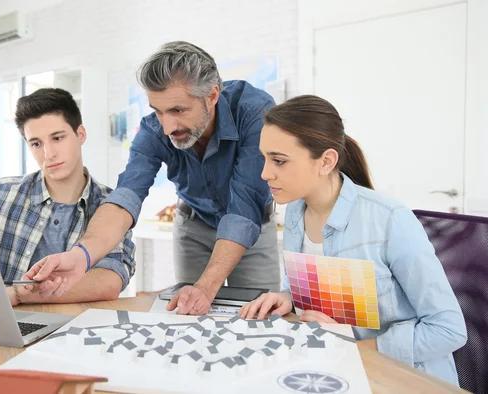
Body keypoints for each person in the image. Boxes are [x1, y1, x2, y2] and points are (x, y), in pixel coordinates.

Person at [24, 41, 280, 315]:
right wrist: (80, 256)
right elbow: (125, 197)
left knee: (258, 316)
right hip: (194, 225)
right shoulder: (152, 130)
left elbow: (244, 205)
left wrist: (206, 287)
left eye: (178, 110)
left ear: (212, 95)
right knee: (188, 316)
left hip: (252, 225)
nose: (168, 127)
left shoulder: (255, 112)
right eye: (158, 111)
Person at [238, 94, 466, 385]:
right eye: (265, 158)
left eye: (279, 161)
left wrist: (352, 350)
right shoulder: (295, 212)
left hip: (401, 379)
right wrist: (287, 299)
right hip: (336, 371)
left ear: (326, 161)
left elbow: (449, 329)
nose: (265, 173)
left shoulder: (390, 220)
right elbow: (318, 298)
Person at [0, 88, 135, 306]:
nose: (48, 154)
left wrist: (18, 295)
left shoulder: (111, 206)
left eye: (57, 138)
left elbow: (110, 278)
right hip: (0, 327)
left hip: (76, 332)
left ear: (80, 134)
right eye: (36, 143)